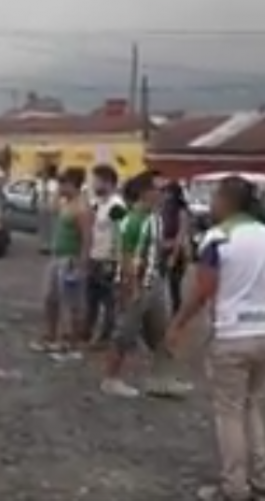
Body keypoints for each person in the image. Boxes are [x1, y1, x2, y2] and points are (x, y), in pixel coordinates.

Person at [166, 176, 265, 501]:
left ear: (227, 200)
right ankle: (262, 478)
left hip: (232, 334)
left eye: (216, 197)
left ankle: (234, 485)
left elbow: (204, 289)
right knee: (251, 405)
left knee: (229, 413)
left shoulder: (218, 238)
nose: (212, 204)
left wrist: (178, 323)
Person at [101, 171, 192, 398]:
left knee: (161, 333)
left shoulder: (155, 218)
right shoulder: (133, 220)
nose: (162, 195)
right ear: (145, 192)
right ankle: (111, 378)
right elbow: (126, 257)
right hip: (137, 283)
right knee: (124, 333)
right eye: (158, 190)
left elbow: (154, 247)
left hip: (154, 281)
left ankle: (161, 379)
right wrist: (130, 288)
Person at [31, 167, 91, 358]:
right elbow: (49, 209)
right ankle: (51, 337)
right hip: (57, 257)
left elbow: (87, 238)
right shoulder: (66, 204)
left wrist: (82, 264)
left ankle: (71, 343)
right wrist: (57, 192)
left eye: (63, 184)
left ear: (73, 185)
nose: (60, 187)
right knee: (50, 299)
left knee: (72, 303)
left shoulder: (81, 208)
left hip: (70, 259)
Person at [85, 164, 127, 347]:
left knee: (108, 300)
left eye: (97, 181)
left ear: (108, 183)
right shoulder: (96, 203)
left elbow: (121, 233)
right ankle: (87, 332)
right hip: (94, 257)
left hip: (108, 260)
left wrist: (116, 259)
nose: (93, 185)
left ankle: (105, 337)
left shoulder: (116, 205)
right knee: (91, 299)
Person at [160, 180, 191, 313]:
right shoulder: (162, 208)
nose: (166, 195)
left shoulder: (181, 210)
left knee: (174, 285)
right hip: (162, 249)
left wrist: (174, 255)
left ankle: (176, 312)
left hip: (176, 250)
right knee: (160, 283)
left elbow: (181, 233)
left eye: (168, 193)